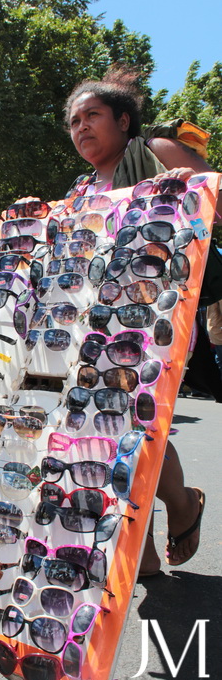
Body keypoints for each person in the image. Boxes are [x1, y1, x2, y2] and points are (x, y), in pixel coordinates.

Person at [63, 67, 221, 574]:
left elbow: (215, 195)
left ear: (124, 120)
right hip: (95, 323)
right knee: (112, 422)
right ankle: (160, 524)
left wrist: (183, 189)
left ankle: (160, 526)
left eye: (93, 115)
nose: (82, 127)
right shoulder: (81, 189)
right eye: (74, 121)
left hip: (161, 313)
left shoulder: (158, 151)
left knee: (137, 418)